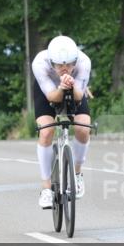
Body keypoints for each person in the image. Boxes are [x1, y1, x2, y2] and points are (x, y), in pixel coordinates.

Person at [31, 35, 92, 209]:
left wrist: (71, 87)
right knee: (46, 131)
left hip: (74, 89)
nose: (65, 69)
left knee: (83, 128)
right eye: (59, 65)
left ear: (76, 61)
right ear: (51, 62)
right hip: (48, 91)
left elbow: (79, 96)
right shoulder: (39, 63)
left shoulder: (84, 62)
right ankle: (46, 189)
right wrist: (61, 88)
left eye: (69, 65)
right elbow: (51, 96)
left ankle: (78, 173)